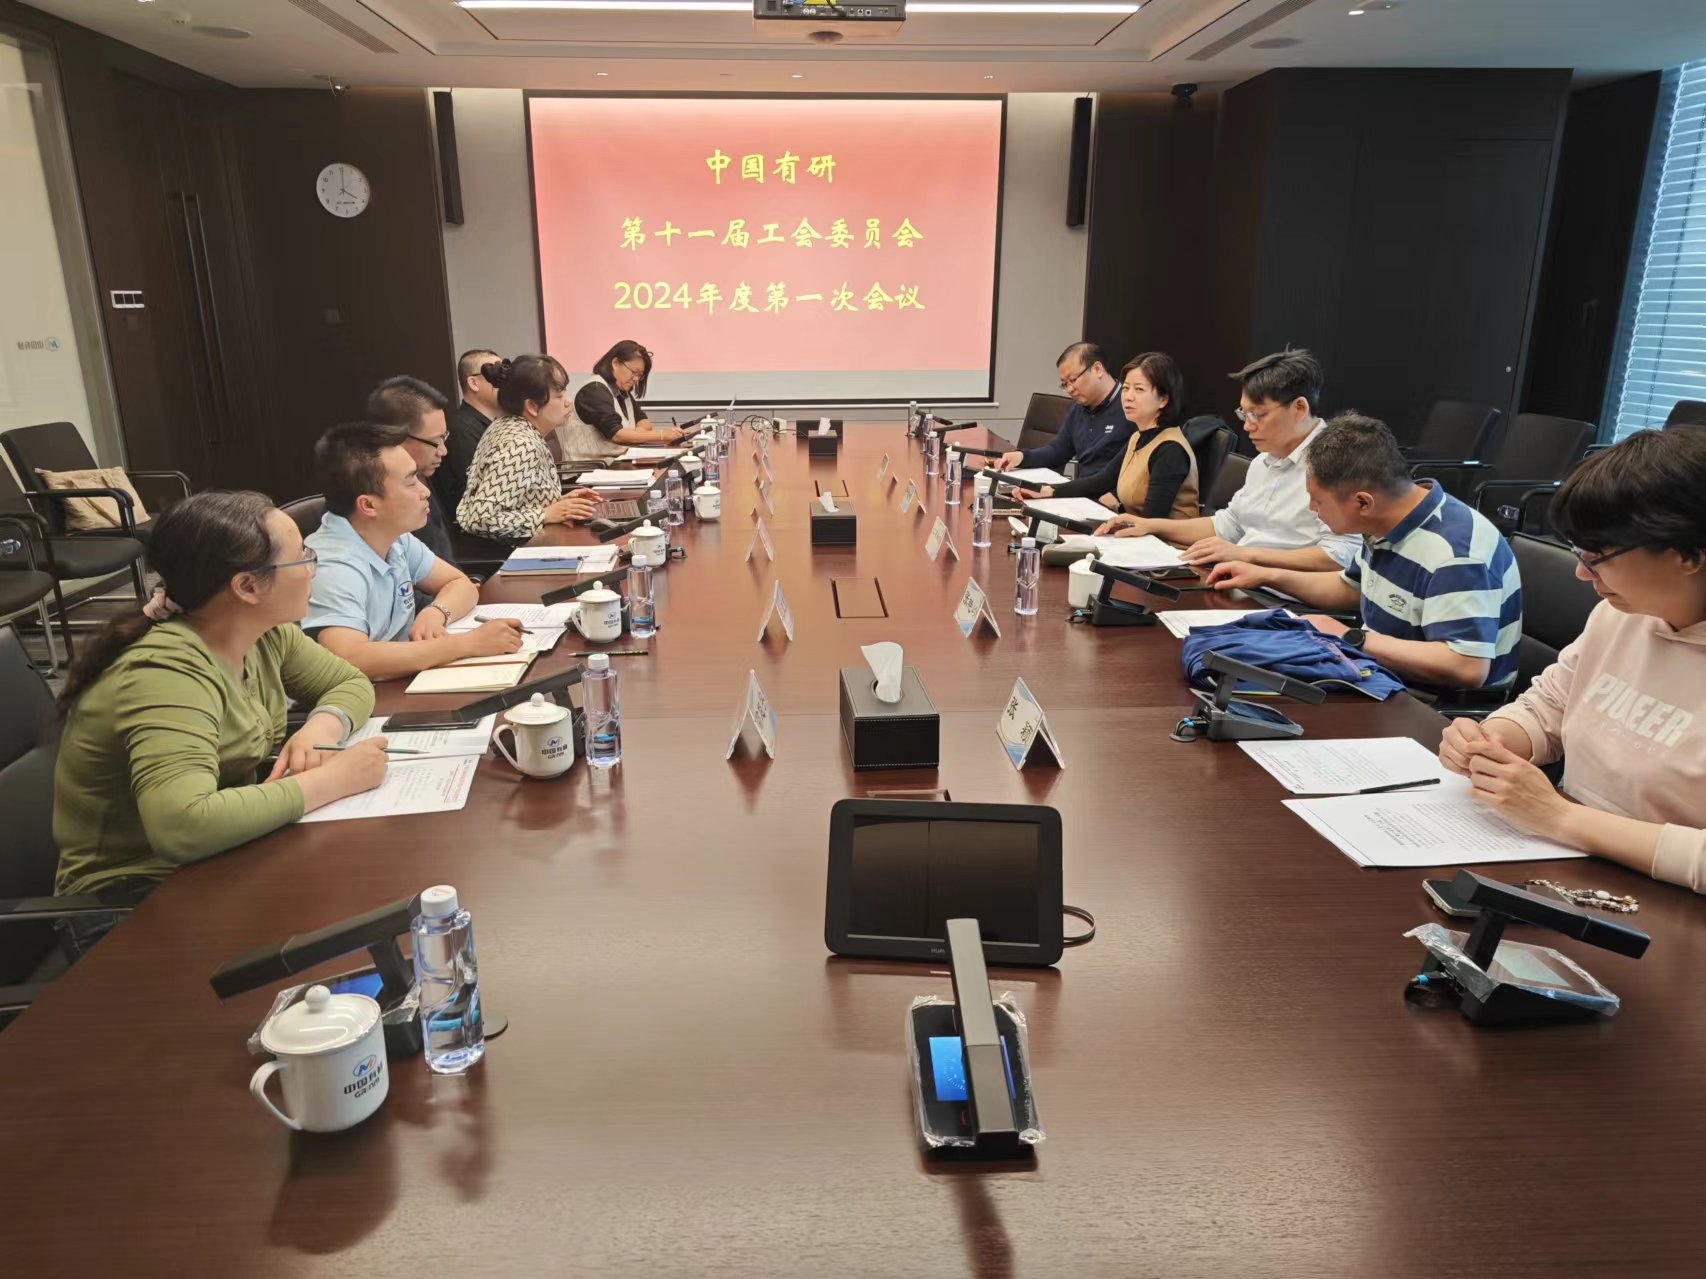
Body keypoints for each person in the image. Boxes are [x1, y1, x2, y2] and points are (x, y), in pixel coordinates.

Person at [51, 491, 388, 953]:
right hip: (129, 904)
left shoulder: (265, 632)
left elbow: (349, 683)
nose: (315, 567)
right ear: (247, 586)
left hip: (217, 863)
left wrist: (321, 727)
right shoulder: (166, 672)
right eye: (303, 557)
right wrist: (331, 781)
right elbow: (182, 826)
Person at [1438, 429, 1706, 889]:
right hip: (1569, 860)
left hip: (1665, 900)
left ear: (1689, 555)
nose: (1582, 572)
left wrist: (1560, 817)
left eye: (1599, 556)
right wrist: (1491, 740)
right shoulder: (1620, 613)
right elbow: (1549, 706)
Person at [1205, 412, 1521, 692]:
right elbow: (1350, 588)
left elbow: (1466, 666)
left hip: (1432, 703)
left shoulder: (1456, 552)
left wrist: (1350, 637)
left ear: (1362, 502)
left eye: (1318, 500)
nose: (1313, 508)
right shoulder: (1389, 521)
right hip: (1379, 671)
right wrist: (1265, 576)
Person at [1093, 348, 1358, 572]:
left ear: (1299, 408)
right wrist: (1151, 526)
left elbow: (1341, 555)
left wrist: (1246, 555)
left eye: (1258, 415)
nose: (1247, 426)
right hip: (1240, 579)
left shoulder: (1338, 463)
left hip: (1286, 599)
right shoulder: (1263, 462)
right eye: (1244, 413)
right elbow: (1228, 524)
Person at [303, 422, 523, 680]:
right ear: (368, 505)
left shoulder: (394, 537)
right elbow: (352, 657)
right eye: (410, 482)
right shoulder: (331, 567)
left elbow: (459, 583)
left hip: (403, 681)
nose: (425, 491)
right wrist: (468, 644)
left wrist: (436, 612)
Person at [1013, 352, 1199, 520]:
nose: (1128, 397)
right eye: (1126, 388)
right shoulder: (1138, 437)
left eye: (1139, 389)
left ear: (1163, 399)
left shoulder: (1170, 449)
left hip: (1164, 543)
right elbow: (1101, 481)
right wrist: (1047, 490)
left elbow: (1151, 522)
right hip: (1137, 534)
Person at [456, 355, 605, 545]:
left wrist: (558, 502)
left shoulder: (511, 425)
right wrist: (545, 514)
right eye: (559, 396)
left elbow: (516, 497)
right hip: (511, 551)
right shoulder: (519, 445)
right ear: (532, 407)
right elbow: (479, 519)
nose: (568, 402)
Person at [993, 342, 1134, 476]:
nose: (1070, 389)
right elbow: (1058, 451)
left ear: (1097, 369)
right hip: (1081, 489)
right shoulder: (1079, 408)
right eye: (1065, 384)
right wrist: (1022, 457)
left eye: (1073, 380)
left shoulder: (1130, 407)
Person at [366, 375, 455, 561]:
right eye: (435, 441)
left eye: (444, 437)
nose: (443, 451)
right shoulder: (387, 503)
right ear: (397, 437)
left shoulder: (423, 475)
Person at [561, 340, 690, 462]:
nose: (636, 379)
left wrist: (638, 433)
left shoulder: (622, 391)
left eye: (640, 375)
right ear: (615, 363)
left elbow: (644, 421)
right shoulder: (594, 390)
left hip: (616, 463)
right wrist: (662, 435)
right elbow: (617, 435)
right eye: (634, 372)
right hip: (590, 468)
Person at [439, 348, 502, 524]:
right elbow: (478, 494)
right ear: (473, 383)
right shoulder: (461, 431)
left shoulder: (495, 425)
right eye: (496, 374)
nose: (505, 383)